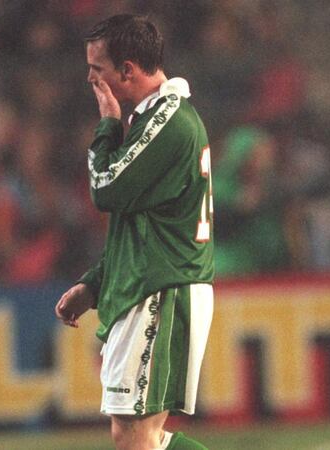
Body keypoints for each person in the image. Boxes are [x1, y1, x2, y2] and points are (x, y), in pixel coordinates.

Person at [55, 14, 215, 450]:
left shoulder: (167, 119)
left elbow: (105, 189)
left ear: (127, 70)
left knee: (135, 438)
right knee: (142, 438)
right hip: (149, 284)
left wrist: (107, 124)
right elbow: (140, 226)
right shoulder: (153, 119)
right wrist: (94, 283)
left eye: (97, 68)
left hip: (161, 290)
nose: (89, 77)